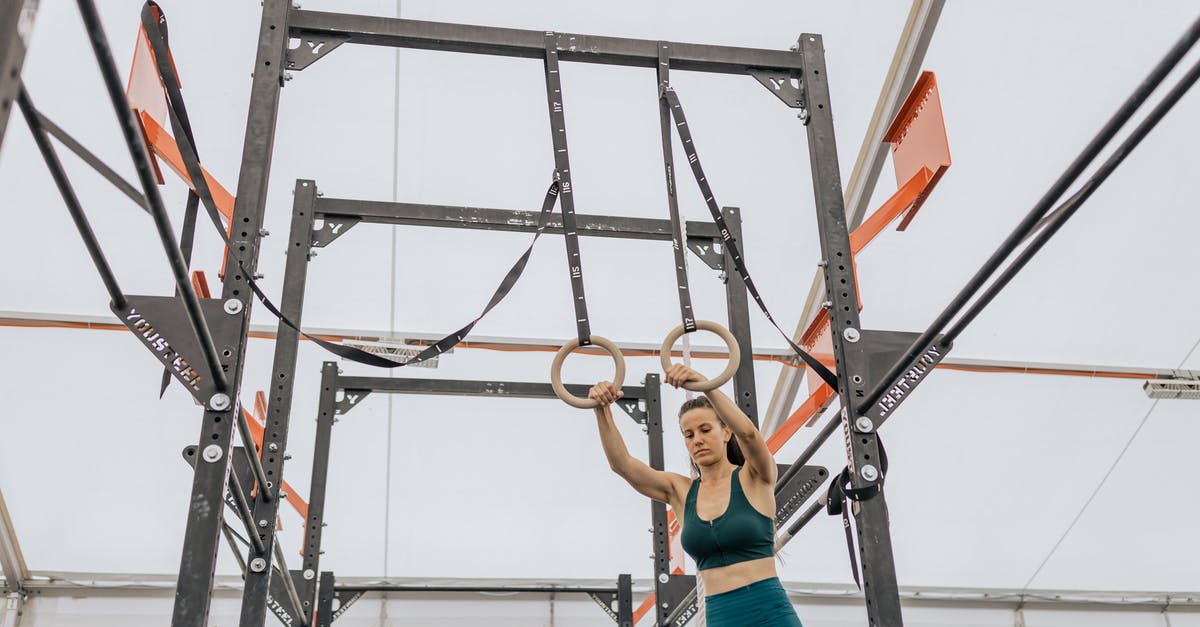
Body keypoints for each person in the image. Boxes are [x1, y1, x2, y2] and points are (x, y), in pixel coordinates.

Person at [588, 363, 803, 626]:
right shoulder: (680, 492)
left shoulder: (755, 477)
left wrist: (705, 384)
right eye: (688, 435)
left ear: (726, 432)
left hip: (770, 612)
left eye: (705, 430)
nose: (697, 440)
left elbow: (748, 434)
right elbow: (622, 465)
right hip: (721, 617)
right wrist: (601, 408)